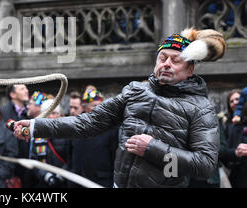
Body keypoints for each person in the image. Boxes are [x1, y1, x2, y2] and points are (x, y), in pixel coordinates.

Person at [14, 27, 226, 188]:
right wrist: (35, 127)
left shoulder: (202, 108)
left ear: (189, 69)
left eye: (175, 60)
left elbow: (205, 166)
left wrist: (153, 148)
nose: (166, 64)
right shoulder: (135, 91)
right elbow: (87, 123)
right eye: (163, 57)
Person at [30, 99, 70, 188]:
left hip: (65, 181)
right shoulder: (37, 136)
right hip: (43, 182)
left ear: (59, 115)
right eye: (48, 113)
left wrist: (60, 176)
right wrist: (47, 176)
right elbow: (34, 161)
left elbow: (71, 159)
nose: (51, 116)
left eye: (55, 113)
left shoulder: (67, 134)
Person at [220, 102, 247, 187]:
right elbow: (224, 152)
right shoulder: (231, 127)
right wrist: (236, 152)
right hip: (239, 174)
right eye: (231, 101)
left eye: (238, 99)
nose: (235, 102)